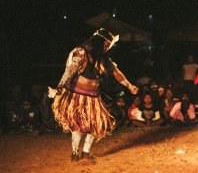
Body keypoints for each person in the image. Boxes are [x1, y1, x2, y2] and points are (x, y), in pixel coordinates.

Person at [51, 28, 138, 161]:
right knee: (78, 126)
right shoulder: (81, 53)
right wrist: (60, 87)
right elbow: (69, 71)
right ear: (100, 42)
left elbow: (117, 74)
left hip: (93, 98)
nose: (108, 47)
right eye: (107, 44)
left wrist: (129, 85)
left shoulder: (103, 58)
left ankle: (86, 153)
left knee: (95, 126)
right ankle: (75, 154)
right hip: (77, 97)